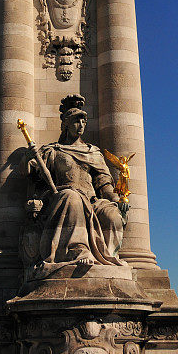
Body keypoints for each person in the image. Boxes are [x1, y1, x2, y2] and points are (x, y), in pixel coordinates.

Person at [22, 94, 126, 267]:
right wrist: (27, 157)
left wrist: (117, 200)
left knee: (111, 213)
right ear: (66, 125)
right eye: (76, 121)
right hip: (63, 197)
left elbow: (104, 184)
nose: (81, 125)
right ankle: (77, 251)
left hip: (92, 201)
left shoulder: (93, 152)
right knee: (72, 198)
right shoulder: (54, 151)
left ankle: (109, 258)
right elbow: (32, 174)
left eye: (84, 122)